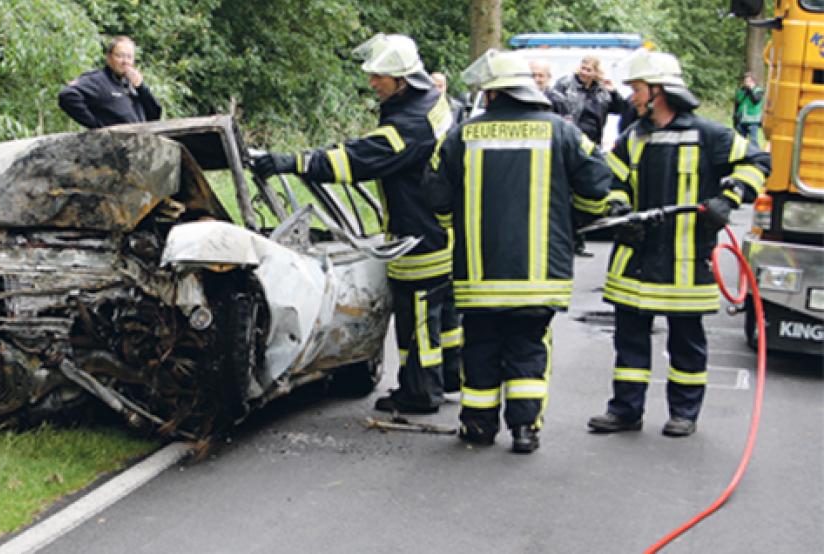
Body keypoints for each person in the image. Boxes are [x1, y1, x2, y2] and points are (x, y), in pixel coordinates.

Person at [253, 33, 459, 414]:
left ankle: (421, 391)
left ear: (401, 81)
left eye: (379, 76)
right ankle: (448, 375)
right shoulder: (433, 103)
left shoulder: (409, 127)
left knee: (417, 321)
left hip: (418, 235)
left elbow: (357, 161)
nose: (372, 82)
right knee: (441, 316)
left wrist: (292, 162)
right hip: (439, 228)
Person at [424, 50, 616, 453]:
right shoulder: (562, 132)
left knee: (480, 347)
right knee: (529, 348)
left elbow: (435, 197)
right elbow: (599, 183)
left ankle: (477, 425)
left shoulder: (460, 136)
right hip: (540, 274)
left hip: (479, 274)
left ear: (492, 95)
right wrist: (578, 217)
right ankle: (525, 429)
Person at [588, 51, 770, 437]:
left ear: (659, 91)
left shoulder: (710, 136)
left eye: (638, 89)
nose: (633, 98)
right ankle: (625, 410)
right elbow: (612, 180)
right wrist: (619, 207)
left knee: (686, 342)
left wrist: (730, 197)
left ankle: (684, 413)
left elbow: (756, 161)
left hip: (685, 262)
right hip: (634, 263)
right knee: (629, 341)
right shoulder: (633, 138)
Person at [58, 36, 162, 129]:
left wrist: (141, 87)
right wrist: (96, 125)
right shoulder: (98, 80)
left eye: (129, 57)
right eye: (120, 56)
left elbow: (154, 116)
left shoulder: (133, 85)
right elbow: (67, 96)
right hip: (112, 146)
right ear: (109, 57)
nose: (125, 61)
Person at [553, 55, 627, 146]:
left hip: (593, 142)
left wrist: (613, 92)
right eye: (582, 68)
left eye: (588, 70)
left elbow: (621, 109)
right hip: (570, 139)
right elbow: (553, 106)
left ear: (596, 72)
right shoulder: (565, 84)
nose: (584, 72)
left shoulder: (602, 91)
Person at [733, 71, 765, 149]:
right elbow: (737, 104)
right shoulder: (741, 91)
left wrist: (750, 91)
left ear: (753, 81)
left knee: (753, 141)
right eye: (745, 81)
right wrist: (734, 117)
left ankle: (755, 156)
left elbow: (755, 101)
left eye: (748, 81)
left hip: (753, 121)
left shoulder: (758, 91)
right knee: (740, 141)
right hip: (741, 119)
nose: (746, 83)